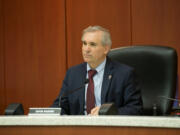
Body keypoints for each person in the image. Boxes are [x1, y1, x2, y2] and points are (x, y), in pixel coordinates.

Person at [52, 25, 143, 115]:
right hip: (78, 127)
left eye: (92, 44)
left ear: (106, 49)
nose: (86, 49)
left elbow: (135, 109)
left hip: (108, 127)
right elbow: (60, 105)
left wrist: (107, 113)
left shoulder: (124, 74)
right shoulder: (73, 74)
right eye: (84, 43)